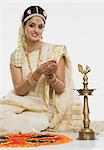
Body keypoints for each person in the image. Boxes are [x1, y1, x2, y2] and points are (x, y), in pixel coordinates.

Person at [0, 6, 82, 134]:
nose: (36, 30)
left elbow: (61, 89)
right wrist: (37, 73)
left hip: (44, 108)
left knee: (13, 124)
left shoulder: (55, 51)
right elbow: (19, 91)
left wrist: (50, 76)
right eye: (32, 25)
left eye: (40, 26)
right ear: (23, 26)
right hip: (20, 102)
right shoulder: (16, 55)